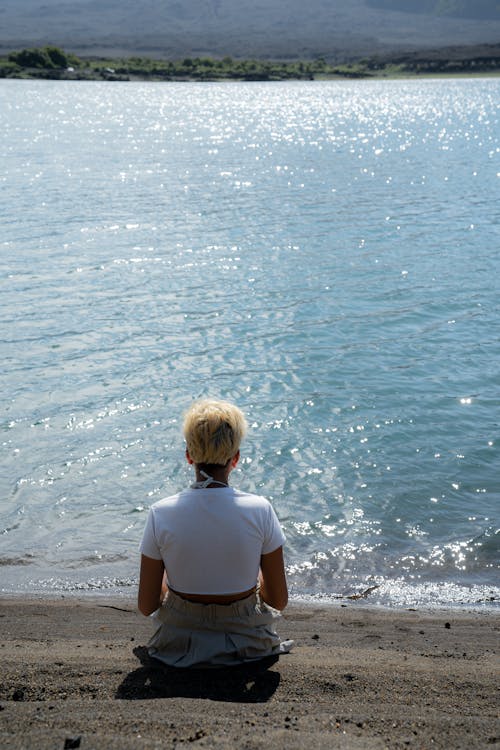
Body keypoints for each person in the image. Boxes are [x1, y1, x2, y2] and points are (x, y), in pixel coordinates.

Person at [138, 398, 293, 667]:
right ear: (236, 458)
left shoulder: (161, 512)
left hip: (177, 641)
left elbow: (147, 604)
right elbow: (278, 600)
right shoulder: (260, 509)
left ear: (189, 455)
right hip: (248, 640)